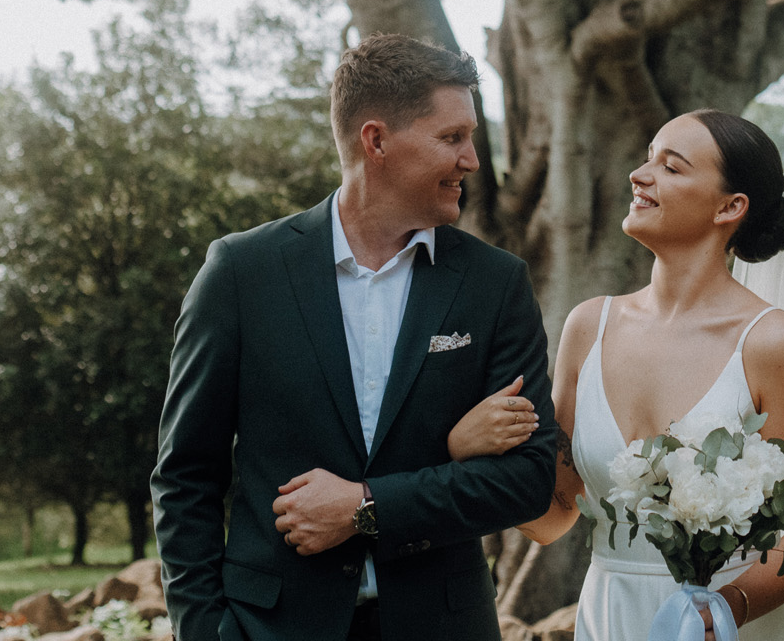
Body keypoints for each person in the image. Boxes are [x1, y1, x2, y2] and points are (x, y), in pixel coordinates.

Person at [152, 34, 560, 641]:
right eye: (451, 138)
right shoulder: (240, 274)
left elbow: (527, 481)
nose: (472, 160)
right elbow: (185, 477)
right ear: (376, 141)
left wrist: (367, 507)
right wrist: (206, 630)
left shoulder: (494, 283)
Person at [460, 109, 784, 640]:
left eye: (672, 167)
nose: (640, 175)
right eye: (646, 159)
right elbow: (553, 514)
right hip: (611, 615)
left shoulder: (773, 343)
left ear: (730, 207)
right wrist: (474, 452)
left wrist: (722, 610)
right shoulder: (589, 326)